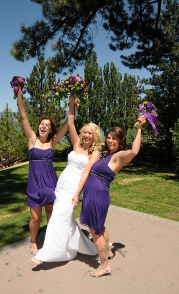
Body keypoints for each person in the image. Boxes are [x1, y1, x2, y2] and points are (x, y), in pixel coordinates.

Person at [72, 115, 146, 277]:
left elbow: (134, 151)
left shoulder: (119, 156)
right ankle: (109, 252)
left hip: (98, 196)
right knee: (100, 227)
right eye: (109, 138)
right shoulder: (106, 154)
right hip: (93, 195)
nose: (110, 141)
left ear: (120, 141)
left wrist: (139, 128)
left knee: (95, 231)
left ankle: (104, 265)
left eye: (114, 139)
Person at [31, 93, 102, 264]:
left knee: (58, 217)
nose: (85, 135)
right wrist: (72, 105)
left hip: (74, 187)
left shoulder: (95, 153)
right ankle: (76, 246)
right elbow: (70, 122)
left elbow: (86, 173)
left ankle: (47, 253)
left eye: (89, 133)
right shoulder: (76, 143)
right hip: (61, 184)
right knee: (63, 218)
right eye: (84, 132)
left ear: (94, 136)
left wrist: (78, 193)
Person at [17, 86, 75, 255]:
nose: (43, 126)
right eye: (42, 123)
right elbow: (23, 115)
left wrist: (73, 106)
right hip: (34, 184)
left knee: (51, 214)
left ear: (51, 129)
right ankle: (33, 241)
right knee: (35, 217)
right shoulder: (32, 139)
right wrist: (19, 94)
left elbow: (68, 123)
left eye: (47, 125)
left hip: (50, 183)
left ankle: (51, 241)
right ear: (39, 127)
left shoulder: (53, 142)